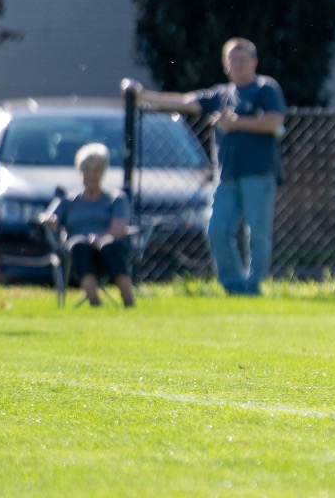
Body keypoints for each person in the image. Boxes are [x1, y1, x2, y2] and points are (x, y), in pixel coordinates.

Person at [127, 37, 286, 295]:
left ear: (254, 62)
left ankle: (253, 284)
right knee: (217, 229)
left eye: (242, 59)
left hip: (259, 174)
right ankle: (235, 285)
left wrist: (237, 123)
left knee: (257, 234)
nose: (237, 64)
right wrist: (142, 94)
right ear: (225, 65)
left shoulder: (265, 89)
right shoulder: (220, 95)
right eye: (232, 59)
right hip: (226, 176)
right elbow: (184, 101)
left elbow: (275, 121)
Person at [41, 143, 136, 308]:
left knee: (109, 246)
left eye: (97, 169)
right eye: (87, 169)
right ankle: (94, 301)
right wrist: (49, 220)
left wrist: (100, 239)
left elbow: (119, 229)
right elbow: (48, 216)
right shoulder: (68, 200)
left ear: (104, 172)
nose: (92, 174)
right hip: (77, 250)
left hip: (108, 245)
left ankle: (128, 299)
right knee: (79, 245)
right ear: (80, 171)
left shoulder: (116, 198)